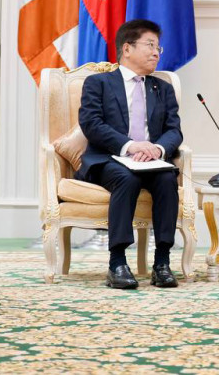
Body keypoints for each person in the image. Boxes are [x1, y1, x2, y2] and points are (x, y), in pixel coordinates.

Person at [77, 19, 183, 290]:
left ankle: (162, 263)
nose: (156, 53)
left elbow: (174, 130)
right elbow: (91, 124)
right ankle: (117, 263)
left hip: (151, 161)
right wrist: (130, 145)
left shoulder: (162, 88)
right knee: (127, 178)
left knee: (167, 179)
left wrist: (158, 149)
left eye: (158, 47)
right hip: (109, 159)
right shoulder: (98, 83)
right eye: (150, 45)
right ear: (127, 48)